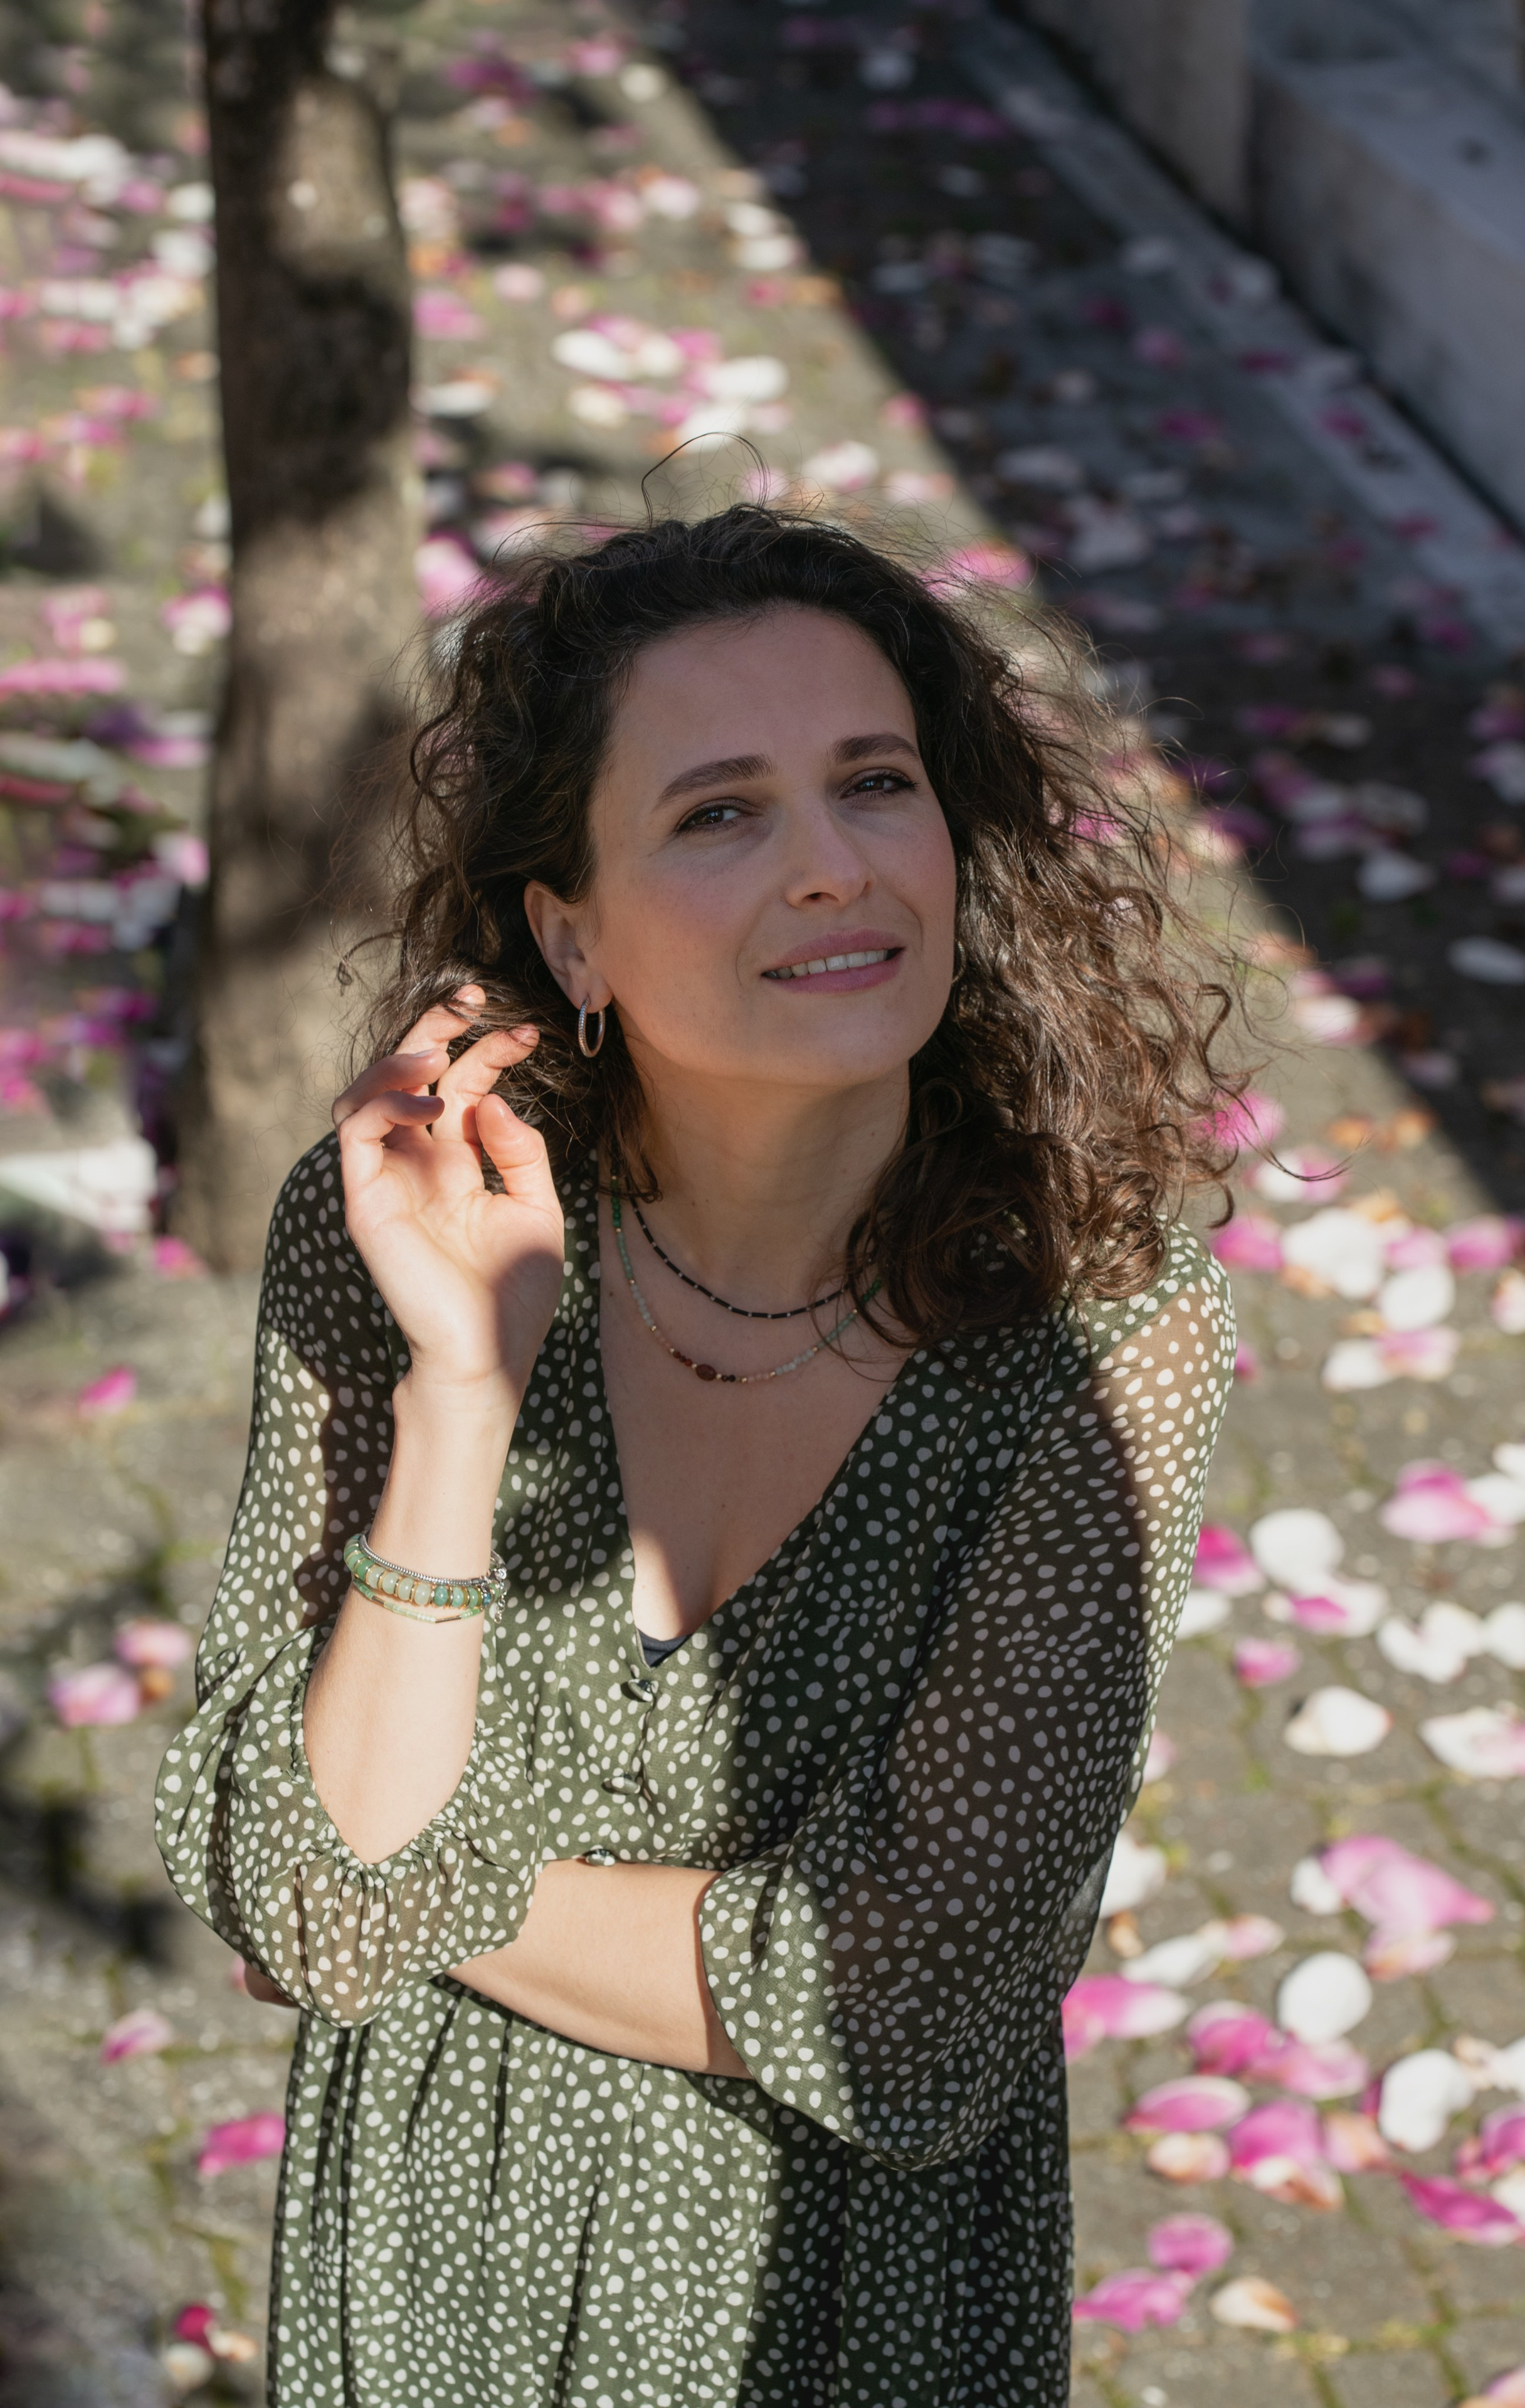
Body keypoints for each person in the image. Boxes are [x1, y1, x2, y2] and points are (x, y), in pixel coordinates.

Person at [157, 504, 1240, 2407]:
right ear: (569, 927)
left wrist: (411, 1890)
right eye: (722, 813)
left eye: (875, 786)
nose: (833, 868)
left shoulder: (1100, 1321)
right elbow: (303, 1893)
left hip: (847, 2310)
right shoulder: (399, 1234)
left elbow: (905, 2012)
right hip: (430, 2260)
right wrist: (465, 1394)